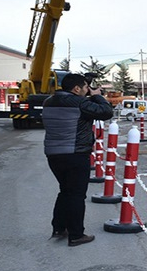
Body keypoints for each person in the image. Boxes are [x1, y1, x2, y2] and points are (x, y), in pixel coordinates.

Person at [42, 73, 114, 247]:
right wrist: (97, 96)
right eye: (84, 87)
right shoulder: (80, 103)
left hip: (53, 155)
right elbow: (106, 112)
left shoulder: (49, 102)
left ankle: (59, 228)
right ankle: (76, 235)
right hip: (75, 154)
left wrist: (88, 95)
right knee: (76, 195)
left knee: (65, 191)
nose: (86, 90)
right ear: (76, 89)